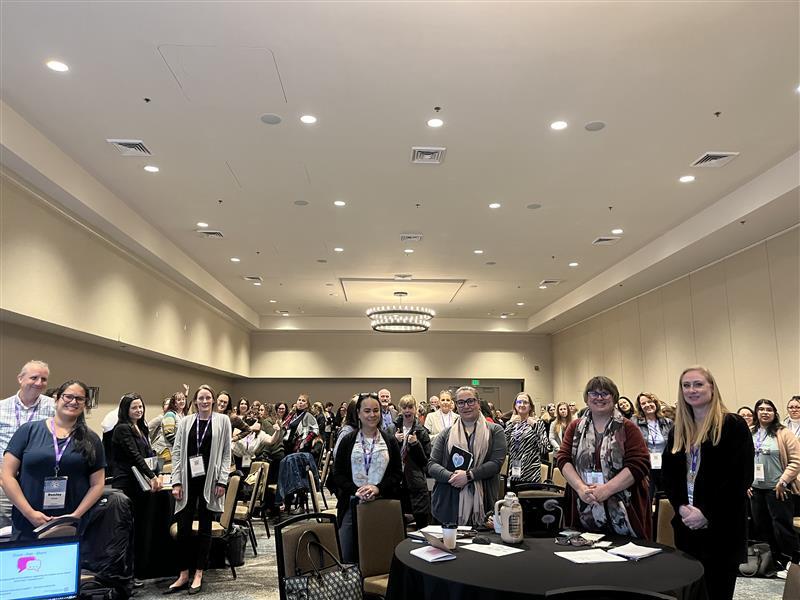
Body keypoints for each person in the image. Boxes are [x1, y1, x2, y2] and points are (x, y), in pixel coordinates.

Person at [661, 366, 754, 600]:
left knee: (717, 591)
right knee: (690, 592)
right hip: (686, 525)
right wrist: (681, 507)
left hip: (722, 526)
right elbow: (669, 477)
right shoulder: (678, 430)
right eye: (686, 385)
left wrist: (707, 513)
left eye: (698, 384)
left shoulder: (732, 425)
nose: (691, 390)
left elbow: (740, 478)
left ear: (712, 387)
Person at [1, 380, 105, 539]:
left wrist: (75, 516)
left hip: (71, 524)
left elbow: (97, 484)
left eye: (79, 399)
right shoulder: (28, 431)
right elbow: (6, 476)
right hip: (27, 520)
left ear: (85, 404)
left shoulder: (91, 439)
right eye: (68, 397)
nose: (73, 402)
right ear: (56, 399)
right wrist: (29, 513)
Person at [555, 376, 651, 538]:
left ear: (614, 397)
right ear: (586, 398)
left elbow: (639, 464)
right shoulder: (575, 427)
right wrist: (580, 488)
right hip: (582, 504)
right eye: (594, 393)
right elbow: (563, 459)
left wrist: (607, 490)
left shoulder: (628, 427)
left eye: (605, 393)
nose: (599, 398)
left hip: (625, 509)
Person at [166, 384, 232, 595]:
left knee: (205, 528)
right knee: (183, 527)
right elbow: (177, 452)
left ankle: (199, 573)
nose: (204, 401)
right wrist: (176, 481)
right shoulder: (186, 422)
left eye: (208, 398)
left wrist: (222, 481)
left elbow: (226, 454)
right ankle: (183, 573)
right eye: (201, 398)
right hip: (187, 480)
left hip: (210, 482)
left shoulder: (223, 421)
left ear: (213, 400)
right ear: (195, 401)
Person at [332, 392, 402, 562]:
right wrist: (356, 491)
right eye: (367, 411)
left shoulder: (389, 441)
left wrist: (378, 488)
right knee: (346, 554)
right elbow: (338, 474)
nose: (372, 415)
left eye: (376, 410)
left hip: (383, 502)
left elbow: (397, 474)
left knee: (381, 555)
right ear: (358, 413)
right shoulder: (348, 440)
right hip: (352, 502)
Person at [428, 387, 507, 526]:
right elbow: (432, 465)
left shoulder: (495, 431)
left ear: (478, 403)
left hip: (484, 503)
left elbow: (496, 463)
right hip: (448, 503)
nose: (466, 406)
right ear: (456, 406)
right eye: (461, 402)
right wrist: (453, 477)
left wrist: (469, 476)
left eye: (470, 401)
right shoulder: (446, 434)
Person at [110, 393, 161, 579]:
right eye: (134, 407)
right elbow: (134, 455)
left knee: (139, 527)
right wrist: (152, 475)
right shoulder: (122, 429)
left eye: (140, 407)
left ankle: (137, 570)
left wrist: (157, 472)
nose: (139, 410)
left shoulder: (141, 427)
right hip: (126, 483)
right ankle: (125, 573)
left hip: (140, 483)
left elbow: (148, 453)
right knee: (127, 529)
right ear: (126, 409)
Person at [0, 360, 55, 528]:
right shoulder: (1, 407)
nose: (39, 383)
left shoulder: (54, 408)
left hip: (38, 483)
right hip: (4, 485)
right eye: (34, 377)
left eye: (44, 379)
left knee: (36, 529)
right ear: (20, 378)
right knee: (4, 532)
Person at [749, 398, 800, 576]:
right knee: (762, 527)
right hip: (756, 490)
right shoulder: (750, 432)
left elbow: (796, 461)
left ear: (775, 413)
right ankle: (771, 562)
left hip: (778, 489)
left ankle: (791, 563)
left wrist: (783, 481)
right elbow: (742, 460)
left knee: (782, 527)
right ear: (756, 412)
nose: (765, 412)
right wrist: (746, 482)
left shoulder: (784, 433)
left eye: (769, 409)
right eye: (761, 409)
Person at [393, 395, 432, 529]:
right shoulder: (392, 429)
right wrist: (394, 441)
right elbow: (386, 457)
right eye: (404, 408)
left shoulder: (422, 432)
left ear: (415, 409)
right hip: (396, 481)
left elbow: (425, 461)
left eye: (410, 407)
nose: (407, 411)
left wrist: (416, 445)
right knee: (397, 523)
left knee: (421, 521)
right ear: (400, 409)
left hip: (415, 481)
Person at [505, 393, 550, 486]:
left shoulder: (538, 423)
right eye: (519, 402)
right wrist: (510, 425)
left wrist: (535, 427)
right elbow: (504, 446)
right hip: (514, 473)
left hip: (531, 474)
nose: (522, 404)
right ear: (515, 406)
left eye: (525, 402)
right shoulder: (511, 424)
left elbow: (545, 448)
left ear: (530, 407)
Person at [634, 392, 674, 498]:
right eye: (643, 403)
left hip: (665, 465)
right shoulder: (635, 423)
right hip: (646, 466)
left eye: (650, 402)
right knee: (647, 497)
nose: (647, 405)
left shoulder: (668, 422)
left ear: (655, 403)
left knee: (667, 496)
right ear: (640, 407)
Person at [151, 391, 187, 463]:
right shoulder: (170, 414)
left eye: (183, 399)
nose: (182, 401)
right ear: (174, 403)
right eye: (179, 400)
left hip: (174, 448)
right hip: (165, 449)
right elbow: (169, 434)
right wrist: (180, 445)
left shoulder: (182, 415)